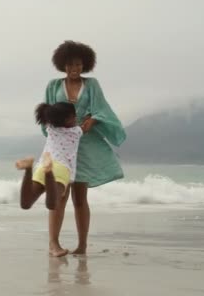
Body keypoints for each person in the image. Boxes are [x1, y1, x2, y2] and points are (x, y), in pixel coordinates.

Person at [43, 41, 126, 255]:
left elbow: (101, 109)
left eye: (79, 64)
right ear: (63, 64)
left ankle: (82, 246)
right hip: (61, 145)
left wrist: (93, 120)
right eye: (70, 65)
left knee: (80, 197)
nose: (74, 69)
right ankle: (54, 244)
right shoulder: (53, 86)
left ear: (85, 65)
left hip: (85, 144)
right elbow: (46, 115)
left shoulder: (92, 85)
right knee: (59, 195)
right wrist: (59, 126)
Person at [16, 102, 83, 257]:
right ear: (68, 120)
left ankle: (28, 169)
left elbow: (53, 118)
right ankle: (49, 173)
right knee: (54, 204)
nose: (76, 118)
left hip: (40, 167)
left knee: (26, 203)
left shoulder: (50, 129)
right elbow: (87, 125)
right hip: (60, 169)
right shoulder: (76, 131)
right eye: (74, 116)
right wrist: (92, 119)